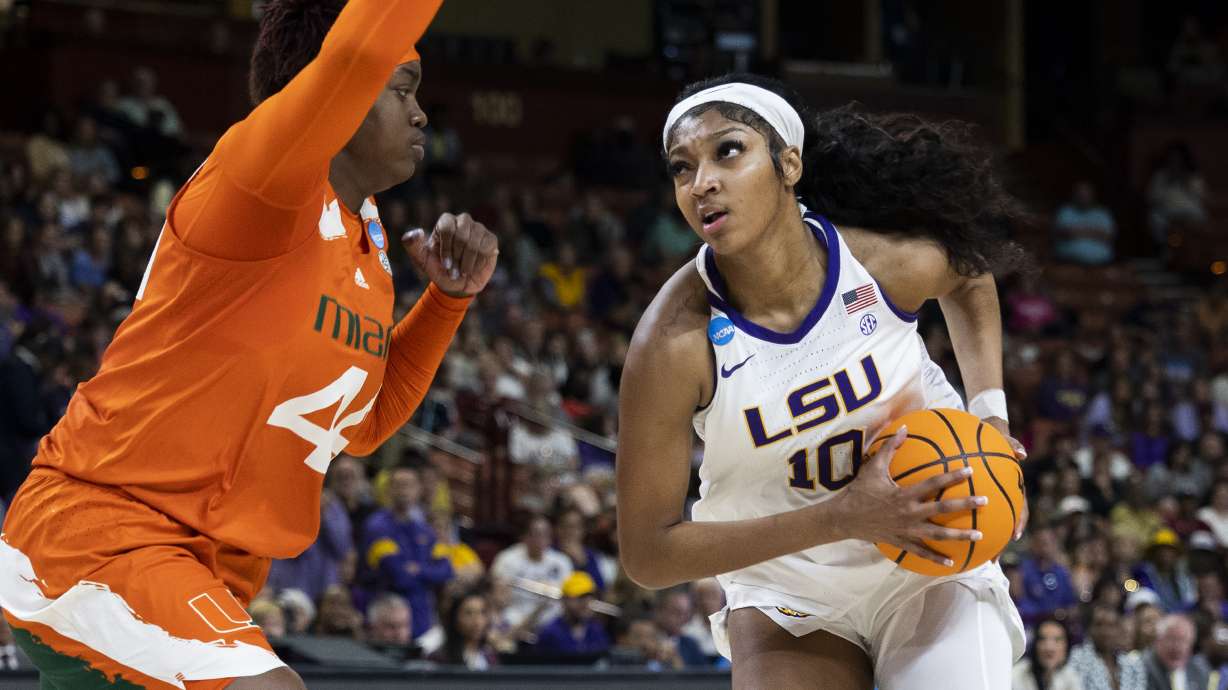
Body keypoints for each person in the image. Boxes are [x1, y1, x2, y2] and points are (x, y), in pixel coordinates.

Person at [0, 1, 500, 687]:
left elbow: (360, 426)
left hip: (197, 570)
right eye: (404, 87)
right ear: (338, 88)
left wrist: (446, 303)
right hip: (97, 535)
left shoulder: (368, 243)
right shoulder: (264, 181)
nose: (421, 114)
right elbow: (354, 53)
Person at [617, 73, 1028, 689]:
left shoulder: (876, 263)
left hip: (928, 551)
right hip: (788, 587)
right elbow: (648, 554)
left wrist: (990, 412)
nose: (701, 182)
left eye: (728, 151)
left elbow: (969, 278)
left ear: (788, 163)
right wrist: (843, 518)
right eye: (681, 168)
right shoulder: (673, 341)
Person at [361, 465, 453, 641]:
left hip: (421, 615)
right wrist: (426, 571)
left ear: (419, 490)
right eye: (398, 485)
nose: (404, 491)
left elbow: (446, 570)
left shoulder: (425, 529)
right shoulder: (377, 526)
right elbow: (399, 575)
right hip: (388, 615)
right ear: (388, 489)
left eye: (409, 485)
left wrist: (417, 569)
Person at [490, 515, 574, 629]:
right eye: (536, 534)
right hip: (516, 616)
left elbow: (570, 596)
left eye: (546, 534)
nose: (541, 539)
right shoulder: (507, 559)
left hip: (552, 619)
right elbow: (498, 597)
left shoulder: (562, 561)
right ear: (524, 536)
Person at [533, 572, 611, 657]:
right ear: (564, 599)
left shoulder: (596, 631)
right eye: (580, 597)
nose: (586, 602)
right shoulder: (550, 633)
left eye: (589, 597)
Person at [1068, 604, 1146, 690]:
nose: (1105, 632)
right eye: (1099, 625)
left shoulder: (1131, 663)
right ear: (1090, 629)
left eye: (1111, 626)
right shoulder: (1079, 657)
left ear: (1119, 629)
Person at [1053, 181, 1116, 266]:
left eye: (1086, 194)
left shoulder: (1102, 213)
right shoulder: (1065, 211)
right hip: (1069, 264)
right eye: (1080, 194)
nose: (1083, 196)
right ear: (1075, 195)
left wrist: (1079, 231)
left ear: (1092, 195)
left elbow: (1108, 236)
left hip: (1101, 264)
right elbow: (1065, 233)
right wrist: (1095, 232)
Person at [1011, 617, 1084, 690]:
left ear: (1066, 646)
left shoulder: (1070, 676)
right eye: (1043, 639)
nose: (1049, 648)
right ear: (1034, 645)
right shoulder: (1017, 674)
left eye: (1057, 640)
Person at [433, 589, 498, 670]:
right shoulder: (440, 658)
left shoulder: (490, 656)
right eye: (469, 613)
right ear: (454, 618)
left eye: (482, 612)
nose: (477, 621)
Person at [1140, 614, 1209, 690]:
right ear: (1158, 640)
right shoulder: (1142, 668)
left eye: (1184, 641)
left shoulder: (1198, 672)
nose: (1178, 647)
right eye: (1172, 639)